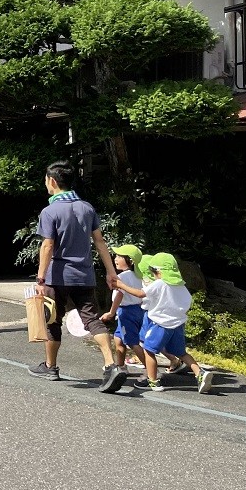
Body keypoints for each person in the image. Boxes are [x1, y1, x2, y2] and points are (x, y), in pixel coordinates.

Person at [28, 161, 126, 393]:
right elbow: (100, 242)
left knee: (52, 320)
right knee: (92, 320)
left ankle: (51, 367)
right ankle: (111, 365)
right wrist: (111, 273)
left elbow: (47, 245)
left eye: (45, 180)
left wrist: (40, 279)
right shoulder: (87, 208)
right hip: (84, 274)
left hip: (57, 276)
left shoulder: (50, 211)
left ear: (52, 181)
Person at [115, 253, 216, 394]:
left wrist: (120, 285)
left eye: (153, 272)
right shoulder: (181, 285)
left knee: (149, 350)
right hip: (178, 324)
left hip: (159, 324)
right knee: (181, 352)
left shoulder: (160, 284)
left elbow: (139, 294)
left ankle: (153, 380)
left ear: (158, 271)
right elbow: (187, 302)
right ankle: (199, 373)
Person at [101, 245, 146, 370]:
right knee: (118, 338)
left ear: (130, 261)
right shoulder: (138, 275)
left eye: (119, 256)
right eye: (116, 256)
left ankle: (151, 371)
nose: (115, 259)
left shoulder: (122, 277)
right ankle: (120, 366)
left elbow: (119, 296)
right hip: (138, 309)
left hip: (126, 312)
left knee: (132, 342)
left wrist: (111, 312)